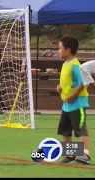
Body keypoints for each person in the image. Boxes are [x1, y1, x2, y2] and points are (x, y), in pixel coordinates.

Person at [56, 36, 91, 164]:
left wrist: (73, 95)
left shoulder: (76, 66)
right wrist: (60, 88)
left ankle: (85, 155)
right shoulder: (66, 65)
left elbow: (84, 82)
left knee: (81, 129)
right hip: (67, 105)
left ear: (68, 50)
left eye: (60, 48)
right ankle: (71, 155)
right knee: (65, 130)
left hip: (78, 104)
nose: (58, 51)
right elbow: (70, 83)